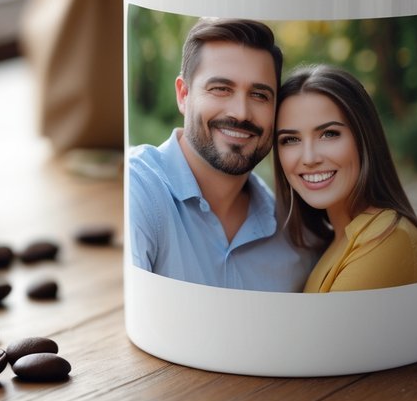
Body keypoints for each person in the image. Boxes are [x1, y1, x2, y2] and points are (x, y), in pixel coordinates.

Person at [129, 18, 317, 291]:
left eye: (260, 95)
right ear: (183, 95)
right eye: (221, 89)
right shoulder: (140, 191)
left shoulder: (296, 242)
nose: (241, 113)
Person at [273, 64, 417, 292]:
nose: (309, 158)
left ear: (364, 139)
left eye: (329, 134)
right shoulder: (332, 241)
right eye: (290, 140)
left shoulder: (386, 238)